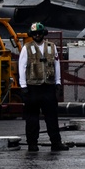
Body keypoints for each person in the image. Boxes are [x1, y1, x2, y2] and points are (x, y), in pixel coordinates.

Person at [18, 22, 68, 152]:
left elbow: (56, 65)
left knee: (52, 117)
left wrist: (58, 82)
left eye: (39, 33)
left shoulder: (52, 47)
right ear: (32, 35)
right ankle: (32, 144)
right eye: (35, 34)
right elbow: (22, 67)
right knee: (32, 118)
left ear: (43, 34)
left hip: (48, 87)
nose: (37, 35)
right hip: (32, 88)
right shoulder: (26, 48)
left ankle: (56, 143)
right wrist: (23, 86)